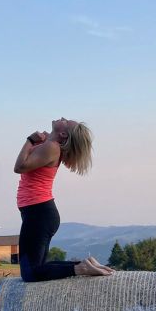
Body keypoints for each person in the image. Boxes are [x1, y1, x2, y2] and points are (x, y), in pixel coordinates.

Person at [13, 118, 114, 282]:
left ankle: (80, 268)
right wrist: (39, 141)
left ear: (63, 134)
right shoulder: (50, 145)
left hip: (38, 213)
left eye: (66, 122)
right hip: (38, 213)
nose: (62, 118)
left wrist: (30, 140)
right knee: (37, 267)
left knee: (30, 273)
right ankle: (84, 264)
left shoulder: (52, 148)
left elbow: (19, 167)